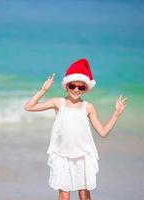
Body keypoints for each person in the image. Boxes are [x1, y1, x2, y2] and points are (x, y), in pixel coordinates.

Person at [23, 58, 127, 200]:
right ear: (66, 86)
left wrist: (116, 114)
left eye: (81, 87)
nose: (76, 90)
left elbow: (103, 132)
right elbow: (29, 107)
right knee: (64, 195)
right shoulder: (58, 103)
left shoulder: (88, 107)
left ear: (86, 89)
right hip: (62, 155)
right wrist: (44, 90)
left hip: (83, 155)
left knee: (84, 194)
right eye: (72, 86)